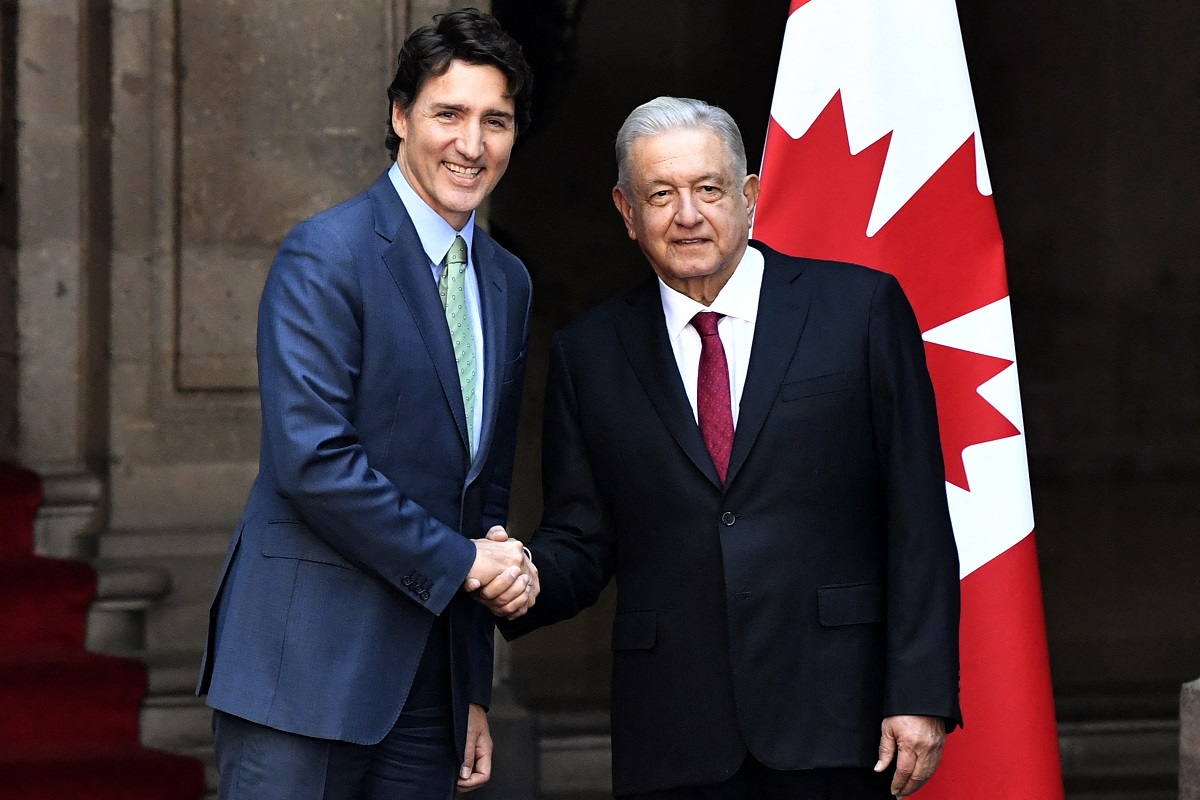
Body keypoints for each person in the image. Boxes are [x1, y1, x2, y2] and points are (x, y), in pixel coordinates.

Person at [485, 96, 961, 799]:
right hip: (673, 733)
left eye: (708, 189)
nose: (687, 214)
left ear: (748, 196)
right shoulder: (590, 354)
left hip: (835, 718)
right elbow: (583, 540)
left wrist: (920, 691)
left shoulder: (858, 311)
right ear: (625, 211)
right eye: (661, 194)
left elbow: (917, 516)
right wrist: (516, 576)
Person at [196, 10, 539, 799]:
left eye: (496, 120)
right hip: (302, 672)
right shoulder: (328, 253)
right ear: (399, 116)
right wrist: (464, 564)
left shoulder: (507, 282)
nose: (471, 143)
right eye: (448, 113)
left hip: (428, 689)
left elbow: (480, 492)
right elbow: (313, 462)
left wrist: (473, 688)